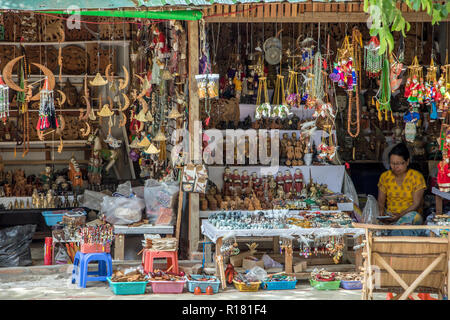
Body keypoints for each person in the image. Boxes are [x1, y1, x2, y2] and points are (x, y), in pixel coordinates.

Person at [377, 143, 426, 236]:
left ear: (407, 162)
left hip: (411, 215)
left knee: (405, 225)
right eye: (392, 163)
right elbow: (381, 201)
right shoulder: (385, 177)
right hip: (390, 215)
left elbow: (416, 204)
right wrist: (382, 215)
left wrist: (399, 216)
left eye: (399, 163)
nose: (395, 167)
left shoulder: (416, 177)